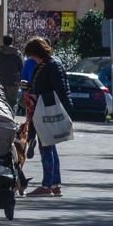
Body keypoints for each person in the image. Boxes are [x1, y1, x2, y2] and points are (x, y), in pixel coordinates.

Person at [24, 37, 70, 197]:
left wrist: (38, 97)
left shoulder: (51, 65)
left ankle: (47, 185)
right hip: (43, 109)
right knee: (50, 146)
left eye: (31, 55)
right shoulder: (44, 65)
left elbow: (60, 90)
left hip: (48, 110)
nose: (31, 58)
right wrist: (30, 91)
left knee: (46, 147)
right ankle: (55, 184)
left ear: (37, 52)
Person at [0, 35, 24, 107]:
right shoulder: (17, 54)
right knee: (12, 103)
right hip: (13, 82)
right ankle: (11, 117)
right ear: (12, 41)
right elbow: (21, 69)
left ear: (3, 41)